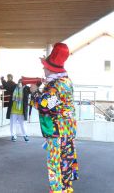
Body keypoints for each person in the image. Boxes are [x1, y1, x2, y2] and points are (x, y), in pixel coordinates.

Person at [32, 43, 78, 193]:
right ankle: (66, 190)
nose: (43, 69)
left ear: (51, 68)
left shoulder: (56, 86)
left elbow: (44, 105)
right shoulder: (66, 81)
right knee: (65, 164)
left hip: (57, 132)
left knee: (55, 165)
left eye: (44, 66)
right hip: (68, 130)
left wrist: (34, 92)